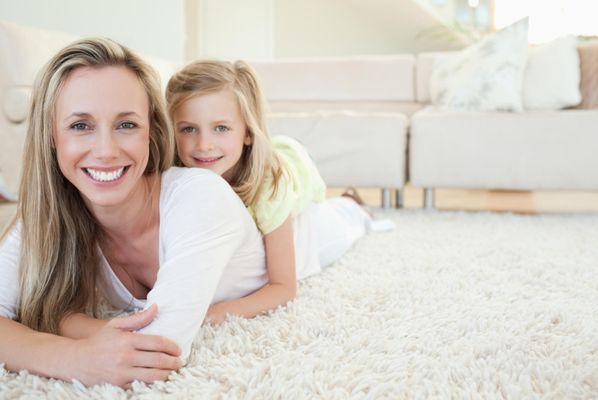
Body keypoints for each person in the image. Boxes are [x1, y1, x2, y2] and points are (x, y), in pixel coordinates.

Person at [0, 38, 270, 388]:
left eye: (126, 125)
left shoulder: (203, 196)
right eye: (80, 126)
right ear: (51, 135)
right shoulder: (47, 214)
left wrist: (61, 321)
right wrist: (72, 357)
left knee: (341, 222)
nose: (106, 151)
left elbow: (161, 347)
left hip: (313, 241)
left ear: (151, 132)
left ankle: (352, 204)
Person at [166, 60, 391, 325]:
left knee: (344, 227)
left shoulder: (269, 186)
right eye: (188, 129)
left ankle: (354, 204)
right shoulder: (177, 178)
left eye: (221, 128)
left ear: (248, 132)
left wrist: (221, 311)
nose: (203, 145)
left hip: (304, 218)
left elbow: (284, 288)